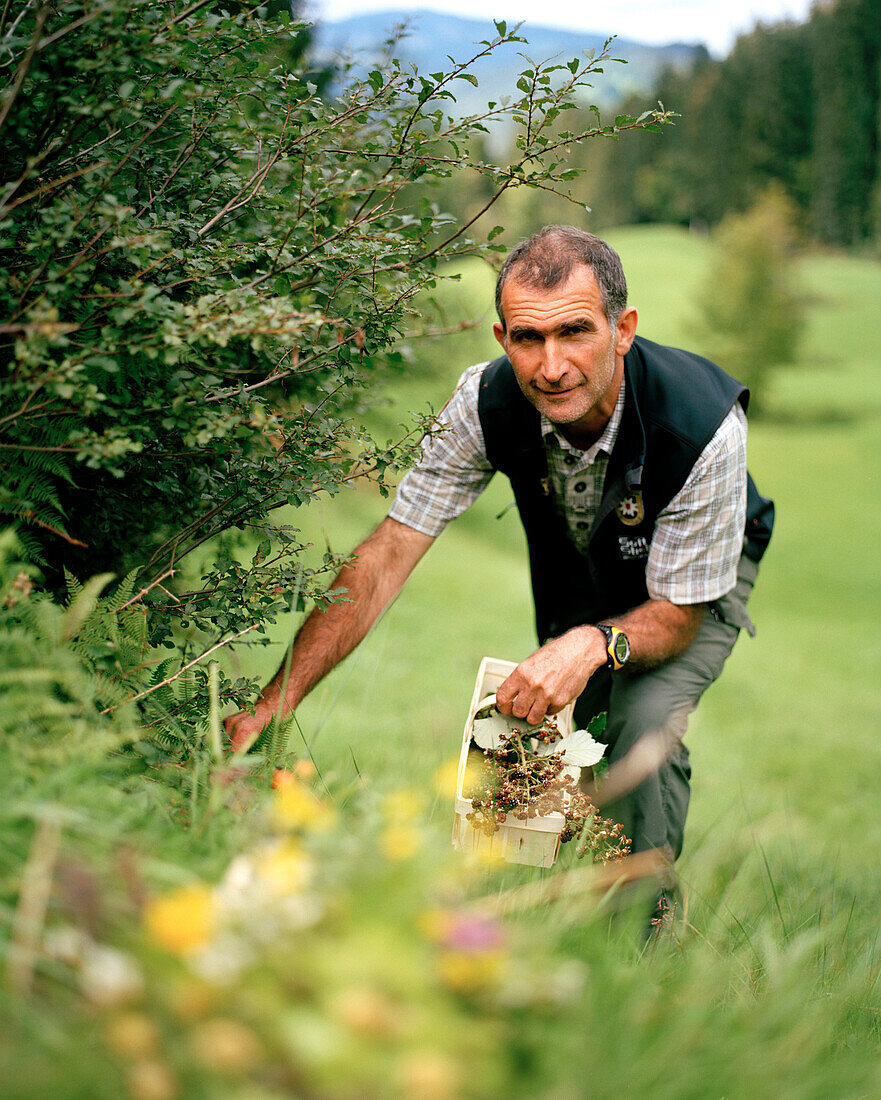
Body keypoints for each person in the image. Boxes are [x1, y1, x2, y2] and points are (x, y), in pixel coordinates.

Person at [225, 225, 773, 867]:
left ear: (621, 330)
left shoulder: (702, 426)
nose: (552, 367)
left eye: (575, 331)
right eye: (528, 338)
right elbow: (388, 552)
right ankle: (571, 897)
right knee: (579, 731)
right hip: (584, 555)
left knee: (638, 723)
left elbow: (677, 620)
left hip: (694, 578)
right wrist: (273, 704)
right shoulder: (482, 402)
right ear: (501, 339)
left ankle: (643, 932)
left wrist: (595, 642)